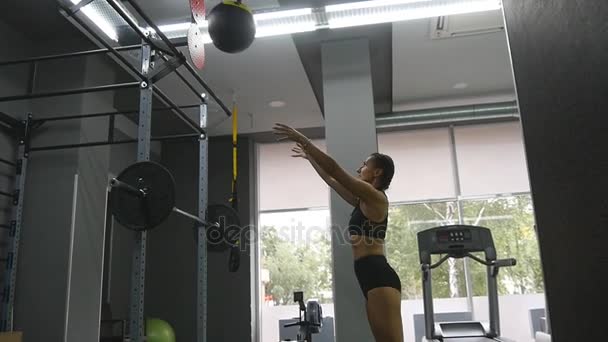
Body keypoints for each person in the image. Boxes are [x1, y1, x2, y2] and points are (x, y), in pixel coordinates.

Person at [273, 123, 404, 342]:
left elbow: (335, 169)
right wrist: (310, 158)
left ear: (377, 172)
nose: (358, 169)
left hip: (379, 275)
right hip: (368, 275)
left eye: (364, 165)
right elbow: (331, 179)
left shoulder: (376, 197)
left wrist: (303, 139)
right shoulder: (363, 201)